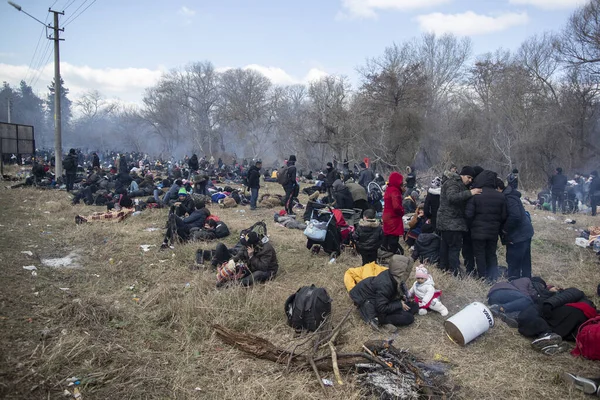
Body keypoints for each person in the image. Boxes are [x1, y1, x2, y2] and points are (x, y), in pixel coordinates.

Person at [349, 255, 416, 333]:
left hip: (377, 297)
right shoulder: (385, 285)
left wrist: (401, 298)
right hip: (369, 301)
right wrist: (399, 304)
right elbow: (381, 307)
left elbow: (391, 292)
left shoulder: (392, 275)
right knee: (409, 318)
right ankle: (381, 320)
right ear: (400, 272)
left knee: (414, 306)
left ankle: (396, 313)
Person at [437, 166, 481, 276]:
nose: (470, 180)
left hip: (448, 222)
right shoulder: (453, 183)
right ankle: (455, 273)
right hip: (452, 223)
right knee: (454, 249)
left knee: (446, 247)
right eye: (469, 177)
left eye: (472, 179)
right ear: (462, 175)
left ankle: (444, 269)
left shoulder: (455, 183)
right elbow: (452, 197)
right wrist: (471, 193)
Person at [465, 170, 507, 282]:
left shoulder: (475, 195)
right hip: (493, 231)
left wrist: (471, 226)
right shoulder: (501, 196)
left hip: (477, 232)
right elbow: (503, 216)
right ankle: (493, 276)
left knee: (479, 254)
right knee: (492, 254)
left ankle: (482, 277)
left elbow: (468, 214)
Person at [501, 179, 534, 280]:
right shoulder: (511, 195)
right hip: (524, 232)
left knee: (514, 259)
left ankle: (515, 281)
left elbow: (515, 216)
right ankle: (526, 280)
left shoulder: (508, 198)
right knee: (525, 259)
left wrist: (505, 230)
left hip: (518, 234)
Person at [382, 171, 405, 255]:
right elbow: (396, 206)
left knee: (386, 235)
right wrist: (402, 211)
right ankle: (393, 253)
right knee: (393, 237)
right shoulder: (395, 191)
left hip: (386, 216)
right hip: (393, 218)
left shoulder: (388, 189)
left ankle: (384, 252)